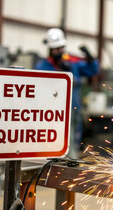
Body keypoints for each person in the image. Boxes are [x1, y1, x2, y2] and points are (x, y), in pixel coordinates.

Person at [35, 28, 99, 158]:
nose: (59, 51)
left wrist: (90, 58)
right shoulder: (43, 66)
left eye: (61, 48)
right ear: (50, 49)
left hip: (74, 110)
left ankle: (71, 162)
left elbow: (92, 70)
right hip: (55, 113)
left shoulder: (72, 64)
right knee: (58, 144)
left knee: (74, 140)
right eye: (56, 48)